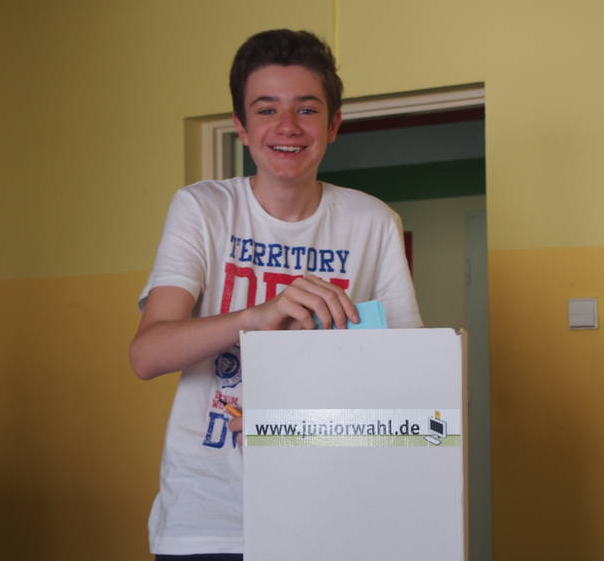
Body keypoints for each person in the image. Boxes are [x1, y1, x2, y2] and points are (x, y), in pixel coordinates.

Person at [130, 29, 422, 560]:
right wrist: (258, 316)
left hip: (333, 511)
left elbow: (405, 378)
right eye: (266, 110)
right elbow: (147, 355)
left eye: (307, 109)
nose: (287, 126)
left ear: (333, 124)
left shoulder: (372, 221)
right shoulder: (202, 209)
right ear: (241, 127)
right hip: (210, 518)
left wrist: (294, 426)